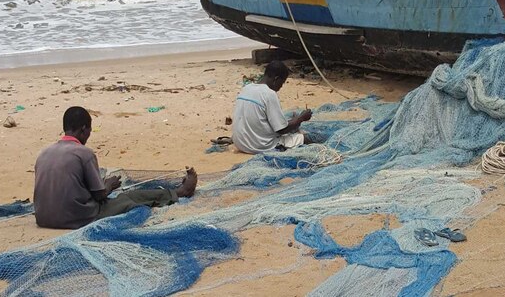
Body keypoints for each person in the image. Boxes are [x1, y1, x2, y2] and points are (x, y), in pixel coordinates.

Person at [33, 106, 197, 229]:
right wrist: (109, 185)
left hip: (43, 218)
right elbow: (99, 196)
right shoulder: (84, 153)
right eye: (89, 130)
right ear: (84, 129)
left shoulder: (44, 153)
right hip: (77, 218)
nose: (89, 135)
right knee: (129, 197)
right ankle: (180, 192)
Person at [232, 60, 312, 154]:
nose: (280, 87)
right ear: (276, 79)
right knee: (307, 138)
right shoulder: (269, 94)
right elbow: (282, 129)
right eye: (281, 83)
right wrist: (301, 118)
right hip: (258, 146)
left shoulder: (246, 88)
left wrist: (294, 121)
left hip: (240, 143)